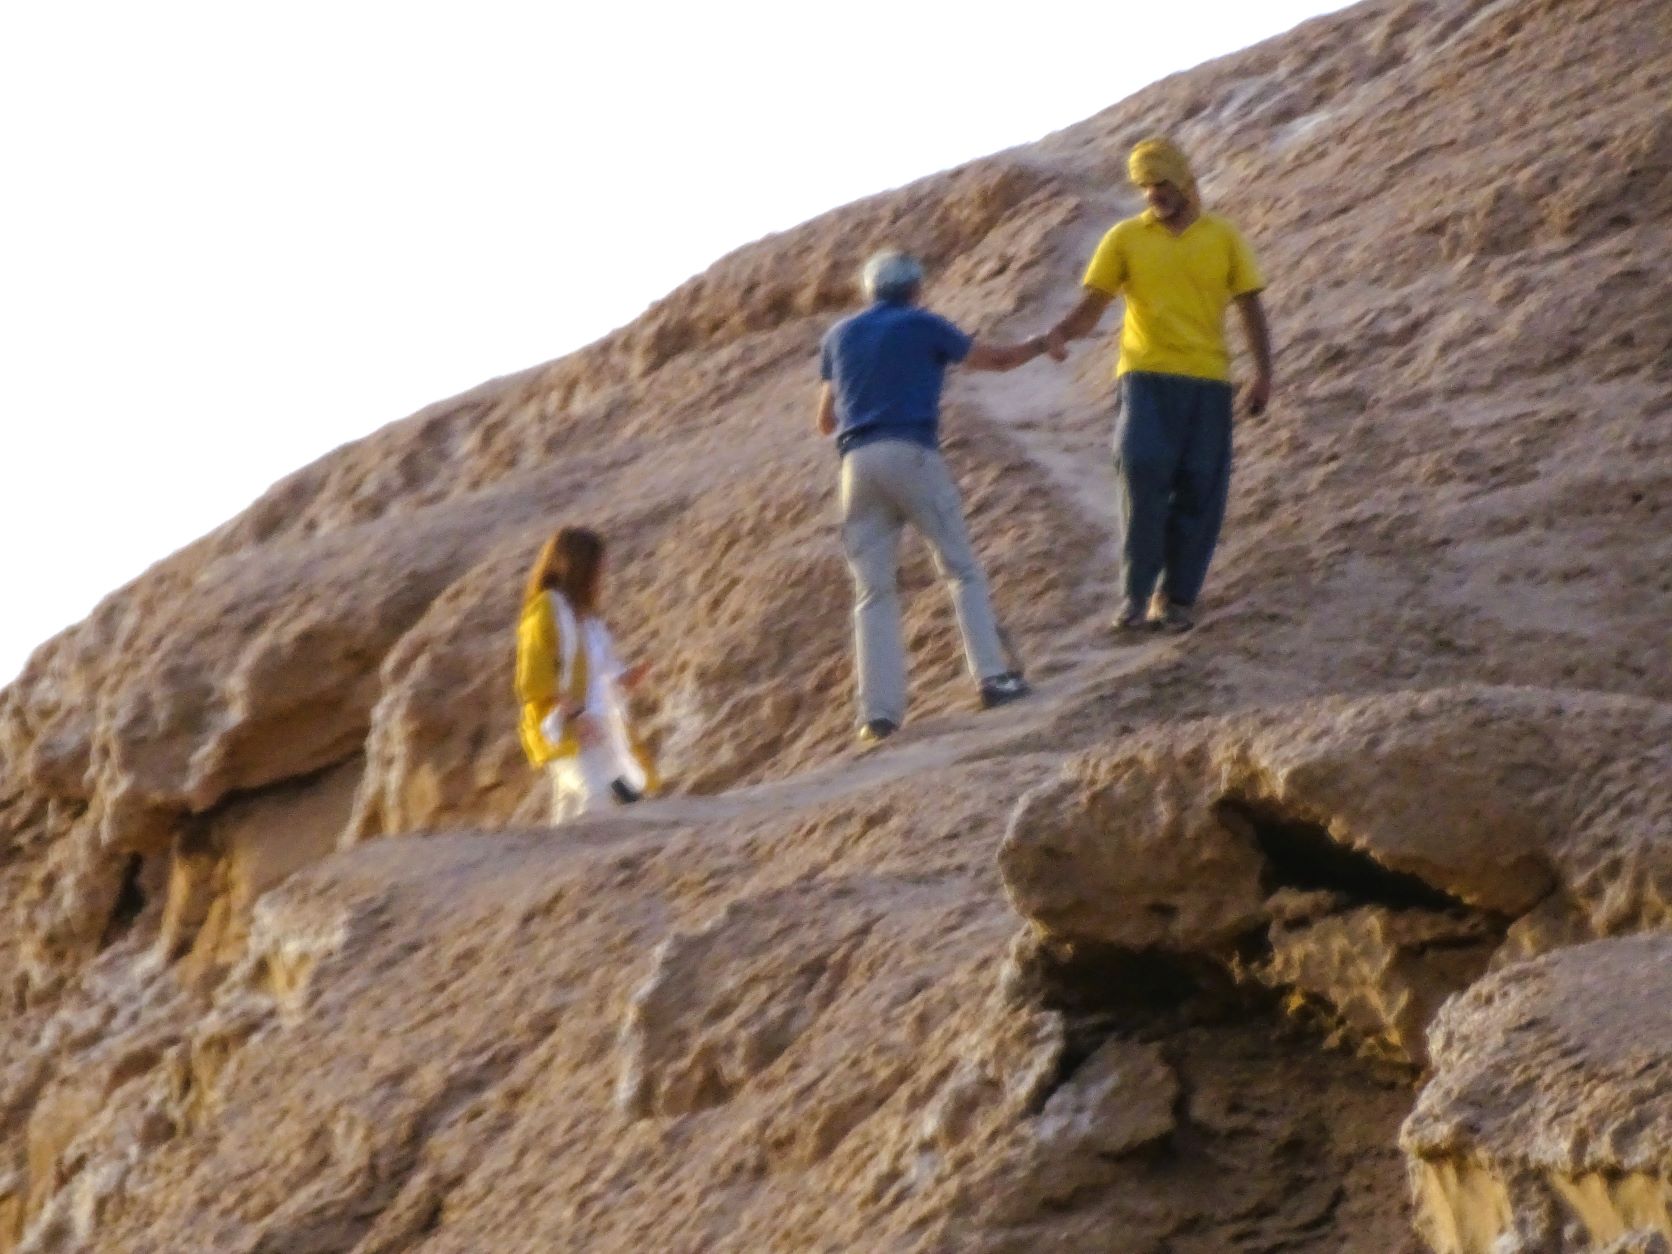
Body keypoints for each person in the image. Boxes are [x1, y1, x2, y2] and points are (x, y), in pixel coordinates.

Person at [817, 250, 1061, 746]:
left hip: (855, 466)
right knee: (959, 568)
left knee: (872, 593)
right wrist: (1041, 343)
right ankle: (992, 677)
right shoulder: (922, 324)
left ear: (867, 290)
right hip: (910, 450)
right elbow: (995, 359)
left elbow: (824, 418)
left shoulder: (838, 335)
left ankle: (878, 716)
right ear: (917, 289)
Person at [1043, 137, 1273, 635]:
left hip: (1209, 382)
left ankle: (1178, 598)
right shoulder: (1125, 238)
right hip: (1144, 376)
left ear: (1184, 181)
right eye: (1145, 186)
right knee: (1141, 469)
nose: (1154, 193)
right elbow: (1093, 305)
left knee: (1200, 489)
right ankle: (1136, 593)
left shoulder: (1224, 237)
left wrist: (1262, 374)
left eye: (1162, 182)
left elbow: (1250, 306)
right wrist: (1060, 333)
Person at [514, 527, 659, 822]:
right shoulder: (545, 611)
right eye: (599, 570)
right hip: (572, 728)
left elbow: (600, 671)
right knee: (600, 800)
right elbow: (534, 677)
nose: (602, 578)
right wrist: (576, 714)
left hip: (603, 729)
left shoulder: (589, 620)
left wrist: (627, 677)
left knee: (627, 798)